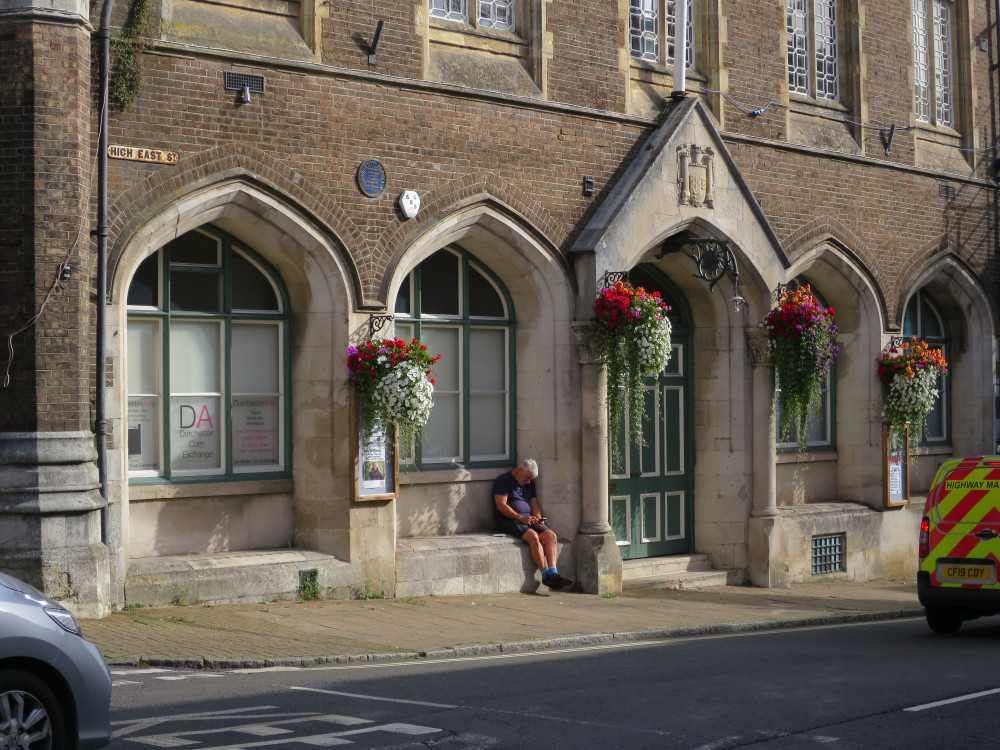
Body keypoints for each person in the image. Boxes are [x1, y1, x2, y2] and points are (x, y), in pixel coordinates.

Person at [493, 459, 573, 591]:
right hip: (510, 520)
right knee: (533, 536)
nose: (529, 481)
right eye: (528, 477)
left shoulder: (530, 484)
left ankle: (553, 573)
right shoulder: (503, 480)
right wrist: (520, 517)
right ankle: (545, 574)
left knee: (551, 536)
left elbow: (534, 504)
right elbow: (501, 505)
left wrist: (538, 518)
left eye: (531, 478)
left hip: (529, 519)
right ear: (520, 470)